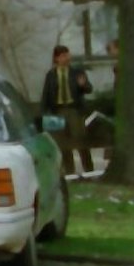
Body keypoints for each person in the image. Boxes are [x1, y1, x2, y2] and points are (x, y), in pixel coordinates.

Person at [39, 45, 95, 176]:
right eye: (63, 56)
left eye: (68, 55)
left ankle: (89, 169)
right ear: (56, 58)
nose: (67, 58)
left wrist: (83, 85)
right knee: (63, 142)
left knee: (80, 139)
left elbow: (89, 89)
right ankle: (69, 171)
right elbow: (46, 95)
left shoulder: (76, 72)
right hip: (58, 111)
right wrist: (44, 114)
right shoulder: (51, 75)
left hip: (74, 109)